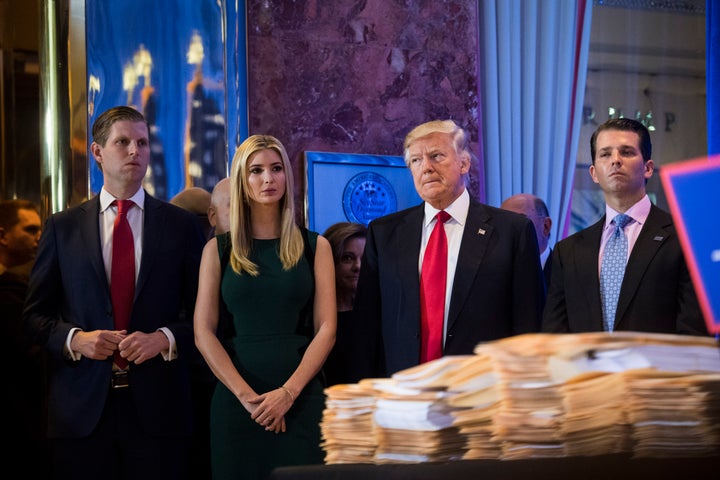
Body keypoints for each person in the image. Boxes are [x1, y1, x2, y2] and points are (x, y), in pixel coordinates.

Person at [22, 106, 206, 480]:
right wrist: (77, 340)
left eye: (142, 142)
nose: (135, 151)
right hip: (81, 412)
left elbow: (205, 316)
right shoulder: (63, 228)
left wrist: (165, 338)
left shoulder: (181, 226)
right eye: (123, 142)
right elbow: (33, 317)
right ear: (97, 152)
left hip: (160, 410)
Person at [352, 119, 545, 378]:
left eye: (436, 156)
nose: (427, 168)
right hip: (405, 396)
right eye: (416, 161)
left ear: (464, 163)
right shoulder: (384, 233)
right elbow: (367, 327)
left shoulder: (512, 231)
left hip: (481, 392)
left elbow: (529, 325)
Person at [194, 134, 336, 479]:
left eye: (276, 169)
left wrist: (288, 393)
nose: (268, 179)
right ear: (243, 181)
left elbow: (327, 329)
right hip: (236, 401)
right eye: (256, 171)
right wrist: (247, 397)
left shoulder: (316, 246)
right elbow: (203, 332)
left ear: (288, 176)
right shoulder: (217, 250)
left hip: (301, 398)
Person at [542, 117, 708, 335]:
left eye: (627, 152)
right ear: (593, 173)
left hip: (657, 368)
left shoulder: (685, 238)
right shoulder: (568, 251)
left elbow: (693, 331)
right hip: (587, 369)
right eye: (605, 154)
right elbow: (554, 333)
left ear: (648, 168)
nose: (615, 160)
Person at [1, 199, 50, 476]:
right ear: (3, 235)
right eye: (30, 230)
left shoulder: (31, 279)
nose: (39, 237)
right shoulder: (14, 285)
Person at [321, 221, 368, 385]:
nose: (358, 266)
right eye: (347, 258)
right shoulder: (314, 318)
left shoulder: (379, 315)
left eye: (364, 258)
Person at [500, 193, 553, 287]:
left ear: (546, 226)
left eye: (520, 221)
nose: (509, 229)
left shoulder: (568, 273)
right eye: (503, 222)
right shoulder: (493, 273)